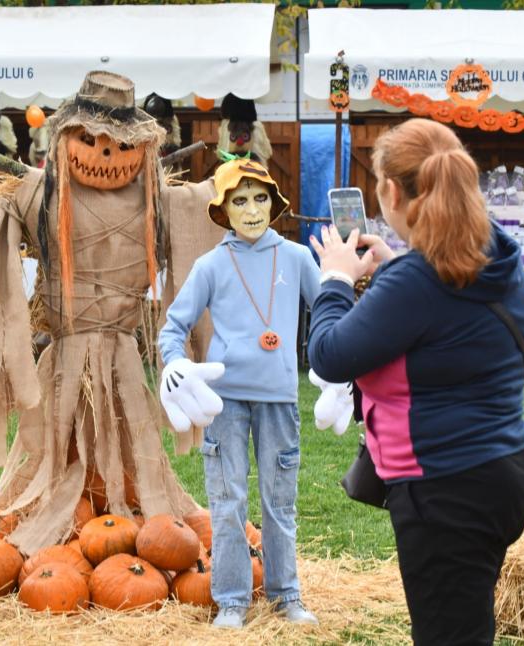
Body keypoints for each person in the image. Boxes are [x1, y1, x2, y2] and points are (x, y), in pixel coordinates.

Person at [307, 118, 524, 646]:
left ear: (389, 191)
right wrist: (394, 266)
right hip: (504, 472)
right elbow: (445, 307)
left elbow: (328, 355)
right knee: (465, 624)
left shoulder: (418, 281)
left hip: (445, 491)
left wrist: (336, 279)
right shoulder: (498, 253)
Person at [158, 157, 321, 629]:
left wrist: (340, 360)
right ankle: (231, 599)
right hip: (223, 402)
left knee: (279, 500)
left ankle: (286, 593)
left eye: (260, 198)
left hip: (279, 401)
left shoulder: (296, 258)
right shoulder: (211, 265)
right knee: (227, 500)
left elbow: (329, 307)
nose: (252, 209)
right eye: (240, 200)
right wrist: (175, 363)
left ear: (274, 203)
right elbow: (174, 327)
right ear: (223, 210)